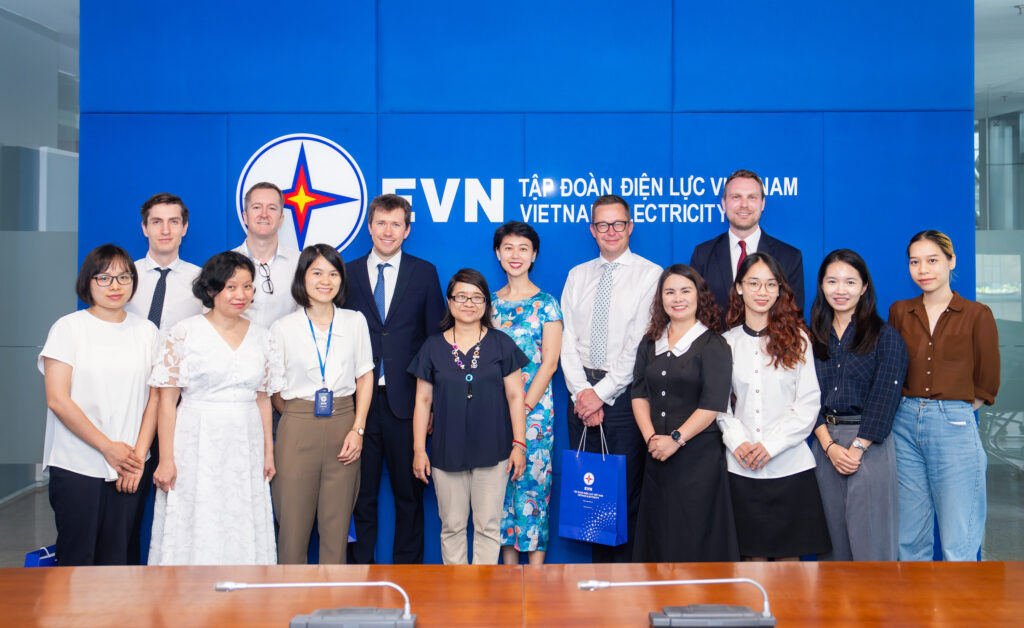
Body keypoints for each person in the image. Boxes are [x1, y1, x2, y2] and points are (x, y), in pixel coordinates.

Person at [148, 251, 283, 565]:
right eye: (231, 287)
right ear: (211, 289)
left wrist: (268, 452)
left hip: (245, 441)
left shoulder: (263, 337)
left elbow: (262, 398)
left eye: (247, 287)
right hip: (197, 440)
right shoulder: (184, 332)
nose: (240, 295)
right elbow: (167, 401)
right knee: (199, 513)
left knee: (241, 515)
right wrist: (165, 459)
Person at [39, 244, 160, 565]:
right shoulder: (68, 328)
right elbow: (58, 399)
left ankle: (120, 618)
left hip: (131, 466)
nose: (115, 286)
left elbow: (154, 400)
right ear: (87, 282)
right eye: (104, 278)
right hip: (78, 462)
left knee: (120, 557)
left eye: (123, 277)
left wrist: (136, 459)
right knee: (78, 558)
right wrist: (108, 448)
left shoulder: (147, 332)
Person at [560, 194, 661, 562]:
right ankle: (600, 586)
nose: (611, 231)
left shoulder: (651, 275)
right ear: (592, 230)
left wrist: (601, 394)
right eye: (602, 225)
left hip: (624, 396)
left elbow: (639, 342)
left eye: (618, 223)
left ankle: (629, 589)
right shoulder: (577, 275)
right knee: (591, 495)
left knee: (625, 493)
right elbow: (565, 339)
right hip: (581, 395)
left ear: (630, 226)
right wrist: (582, 393)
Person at [345, 194, 445, 564]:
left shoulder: (424, 272)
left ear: (407, 230)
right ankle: (360, 575)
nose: (388, 231)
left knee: (409, 496)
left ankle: (409, 576)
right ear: (370, 227)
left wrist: (431, 404)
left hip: (408, 403)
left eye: (396, 224)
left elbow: (435, 341)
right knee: (360, 495)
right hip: (359, 403)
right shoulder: (347, 272)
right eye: (381, 223)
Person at [888, 230, 1000, 561]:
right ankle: (914, 612)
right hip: (904, 423)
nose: (923, 269)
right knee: (909, 538)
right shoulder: (899, 312)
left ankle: (959, 613)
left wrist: (952, 410)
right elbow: (891, 369)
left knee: (959, 539)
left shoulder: (977, 314)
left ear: (951, 262)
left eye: (932, 260)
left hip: (954, 423)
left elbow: (987, 381)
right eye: (915, 262)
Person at [409, 269, 529, 565]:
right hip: (445, 452)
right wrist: (418, 450)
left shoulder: (502, 343)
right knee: (452, 527)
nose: (469, 303)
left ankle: (484, 598)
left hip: (495, 449)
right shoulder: (432, 347)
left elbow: (516, 396)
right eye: (461, 296)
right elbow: (422, 401)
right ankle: (458, 596)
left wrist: (519, 444)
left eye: (477, 297)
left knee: (488, 527)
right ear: (449, 303)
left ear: (487, 304)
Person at [717, 252, 830, 560]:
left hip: (790, 466)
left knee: (790, 565)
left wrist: (769, 446)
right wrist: (739, 442)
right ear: (739, 287)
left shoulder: (799, 340)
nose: (762, 291)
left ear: (780, 290)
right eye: (753, 283)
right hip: (740, 467)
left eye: (770, 284)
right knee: (749, 561)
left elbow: (807, 405)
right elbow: (719, 406)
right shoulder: (724, 343)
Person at [269, 244, 374, 564]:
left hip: (345, 424)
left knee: (336, 529)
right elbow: (274, 390)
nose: (325, 280)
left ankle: (334, 607)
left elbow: (365, 377)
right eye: (316, 272)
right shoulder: (282, 328)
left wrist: (358, 429)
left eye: (333, 273)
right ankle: (289, 606)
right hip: (297, 424)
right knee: (292, 530)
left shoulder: (354, 321)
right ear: (303, 278)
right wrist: (301, 419)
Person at [631, 264, 739, 562]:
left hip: (697, 457)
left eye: (685, 291)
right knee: (659, 532)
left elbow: (712, 403)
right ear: (661, 299)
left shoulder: (713, 343)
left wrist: (675, 439)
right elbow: (639, 392)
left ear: (699, 296)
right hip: (656, 454)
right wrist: (652, 438)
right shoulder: (650, 341)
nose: (677, 298)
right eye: (669, 291)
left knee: (693, 533)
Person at [809, 249, 908, 561]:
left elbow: (886, 397)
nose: (841, 290)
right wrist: (828, 446)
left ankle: (876, 610)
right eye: (832, 281)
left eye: (850, 282)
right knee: (829, 544)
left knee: (872, 544)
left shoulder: (886, 337)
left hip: (870, 444)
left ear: (864, 287)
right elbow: (804, 396)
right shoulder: (810, 339)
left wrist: (857, 447)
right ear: (822, 286)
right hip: (825, 444)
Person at [123, 192, 202, 565]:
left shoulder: (201, 282)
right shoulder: (123, 277)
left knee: (176, 498)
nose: (165, 229)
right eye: (157, 221)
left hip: (179, 407)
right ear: (145, 228)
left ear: (185, 228)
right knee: (127, 503)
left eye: (173, 221)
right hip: (128, 403)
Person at [490, 221, 563, 566]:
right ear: (498, 254)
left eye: (523, 249)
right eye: (508, 248)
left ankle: (536, 579)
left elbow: (549, 364)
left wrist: (524, 405)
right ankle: (507, 575)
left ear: (534, 255)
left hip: (535, 414)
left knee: (532, 489)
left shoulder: (547, 304)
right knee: (500, 493)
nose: (515, 255)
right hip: (493, 413)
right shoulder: (486, 305)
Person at [690, 169, 805, 315]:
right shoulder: (703, 254)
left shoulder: (789, 257)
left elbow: (793, 316)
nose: (744, 204)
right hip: (715, 337)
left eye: (752, 197)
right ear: (724, 204)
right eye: (736, 197)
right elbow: (696, 313)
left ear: (762, 204)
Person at [233, 182, 300, 329]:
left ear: (281, 219)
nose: (264, 214)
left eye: (272, 208)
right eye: (257, 207)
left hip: (284, 350)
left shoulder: (300, 263)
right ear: (245, 217)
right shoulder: (225, 264)